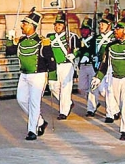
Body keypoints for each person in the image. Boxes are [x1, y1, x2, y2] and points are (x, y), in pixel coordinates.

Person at [11, 9, 54, 140]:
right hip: (24, 74)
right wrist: (10, 39)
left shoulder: (42, 42)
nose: (22, 26)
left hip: (38, 75)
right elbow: (9, 51)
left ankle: (32, 131)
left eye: (24, 24)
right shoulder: (21, 41)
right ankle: (40, 122)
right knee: (21, 99)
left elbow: (51, 61)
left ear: (31, 26)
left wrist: (51, 78)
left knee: (35, 103)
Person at [96, 17, 125, 141]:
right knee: (121, 104)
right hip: (115, 78)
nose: (115, 31)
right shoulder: (111, 46)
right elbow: (104, 64)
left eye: (119, 28)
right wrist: (98, 78)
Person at [47, 12, 79, 120]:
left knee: (65, 87)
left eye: (60, 25)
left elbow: (77, 49)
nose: (57, 27)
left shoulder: (72, 37)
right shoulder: (50, 37)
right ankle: (68, 103)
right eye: (56, 24)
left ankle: (63, 112)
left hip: (66, 64)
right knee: (53, 86)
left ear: (64, 26)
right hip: (54, 65)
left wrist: (73, 55)